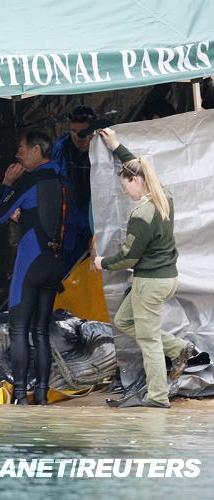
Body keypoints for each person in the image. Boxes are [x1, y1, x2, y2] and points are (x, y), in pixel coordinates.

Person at [94, 128, 194, 408]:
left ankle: (158, 397)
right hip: (167, 278)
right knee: (125, 321)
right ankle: (178, 347)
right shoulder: (165, 196)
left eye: (126, 185)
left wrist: (103, 263)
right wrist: (117, 147)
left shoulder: (142, 214)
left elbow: (128, 258)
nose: (125, 191)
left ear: (136, 180)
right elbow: (142, 168)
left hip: (149, 283)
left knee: (149, 341)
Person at [0, 130, 68, 405]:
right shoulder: (61, 178)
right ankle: (42, 394)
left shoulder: (28, 180)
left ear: (37, 150)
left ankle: (21, 396)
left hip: (31, 263)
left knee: (19, 329)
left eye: (22, 149)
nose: (18, 154)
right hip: (55, 263)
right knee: (41, 331)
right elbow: (45, 217)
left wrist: (6, 184)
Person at [52, 106, 96, 273]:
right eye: (73, 131)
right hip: (71, 216)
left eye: (83, 132)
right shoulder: (62, 147)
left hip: (96, 214)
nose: (78, 137)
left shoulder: (105, 146)